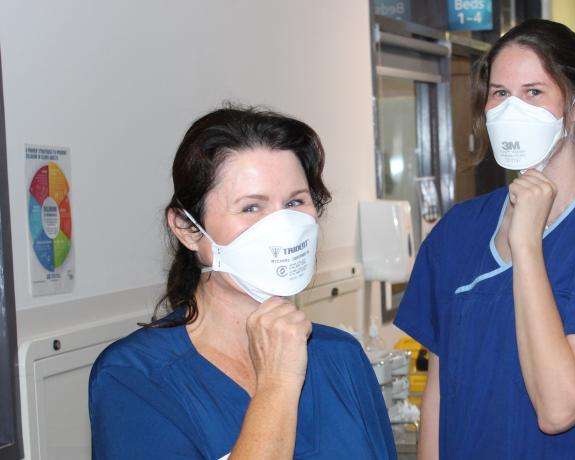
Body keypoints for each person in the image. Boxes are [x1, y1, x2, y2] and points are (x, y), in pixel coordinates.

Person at [394, 19, 575, 459]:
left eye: (534, 92)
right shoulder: (458, 232)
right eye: (500, 93)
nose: (511, 110)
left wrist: (527, 244)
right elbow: (440, 389)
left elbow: (560, 407)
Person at [89, 106, 396, 459]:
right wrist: (276, 386)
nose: (282, 226)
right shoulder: (137, 378)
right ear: (188, 229)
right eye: (251, 207)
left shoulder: (341, 356)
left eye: (296, 201)